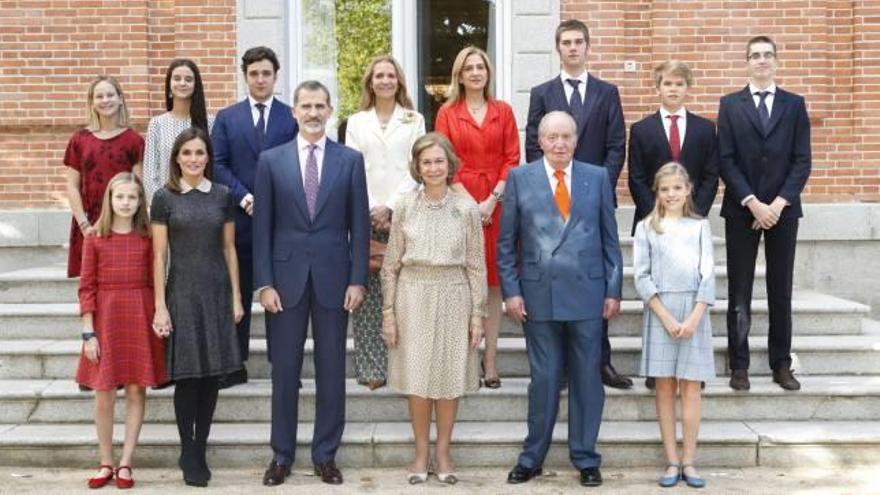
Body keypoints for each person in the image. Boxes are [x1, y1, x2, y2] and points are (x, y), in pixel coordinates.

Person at [253, 80, 369, 487]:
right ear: (294, 112)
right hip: (283, 283)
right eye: (306, 105)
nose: (314, 112)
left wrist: (358, 279)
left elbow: (359, 224)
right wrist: (263, 282)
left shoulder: (351, 161)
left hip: (335, 280)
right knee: (284, 371)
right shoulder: (271, 161)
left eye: (320, 105)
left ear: (330, 109)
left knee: (332, 369)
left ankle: (325, 455)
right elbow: (262, 227)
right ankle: (281, 455)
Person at [498, 111, 623, 488]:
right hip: (538, 296)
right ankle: (532, 456)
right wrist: (512, 291)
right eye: (552, 136)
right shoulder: (520, 179)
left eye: (566, 136)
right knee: (545, 378)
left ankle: (585, 457)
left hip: (588, 292)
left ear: (576, 138)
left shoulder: (597, 177)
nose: (559, 143)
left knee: (587, 378)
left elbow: (609, 239)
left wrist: (614, 289)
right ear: (539, 140)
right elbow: (506, 244)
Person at [524, 19, 629, 389]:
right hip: (553, 206)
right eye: (566, 42)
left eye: (578, 41)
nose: (572, 47)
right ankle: (565, 367)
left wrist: (599, 189)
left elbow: (617, 144)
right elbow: (533, 147)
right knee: (560, 282)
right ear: (558, 48)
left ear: (588, 47)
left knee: (596, 278)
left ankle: (601, 362)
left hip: (594, 203)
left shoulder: (606, 92)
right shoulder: (542, 92)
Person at [381, 133, 486, 485]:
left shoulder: (466, 208)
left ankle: (443, 451)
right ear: (417, 167)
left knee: (448, 377)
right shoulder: (406, 207)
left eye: (439, 161)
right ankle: (421, 453)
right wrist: (388, 313)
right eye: (426, 162)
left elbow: (476, 265)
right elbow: (390, 263)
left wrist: (478, 315)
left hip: (454, 294)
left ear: (450, 164)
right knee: (418, 379)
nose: (433, 167)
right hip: (412, 294)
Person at [151, 128, 245, 487]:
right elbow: (160, 255)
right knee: (188, 377)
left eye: (200, 153)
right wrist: (160, 306)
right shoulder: (164, 197)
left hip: (217, 291)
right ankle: (187, 449)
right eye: (187, 153)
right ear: (177, 157)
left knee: (211, 379)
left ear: (208, 157)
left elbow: (229, 249)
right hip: (182, 292)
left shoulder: (222, 195)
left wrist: (237, 296)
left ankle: (200, 448)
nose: (193, 159)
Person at [718, 36, 811, 392]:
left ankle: (781, 363)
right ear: (746, 62)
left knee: (780, 290)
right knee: (739, 291)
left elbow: (802, 160)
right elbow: (725, 158)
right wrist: (752, 201)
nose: (761, 60)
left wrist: (777, 204)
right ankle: (738, 365)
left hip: (783, 211)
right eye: (755, 55)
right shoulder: (729, 104)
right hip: (742, 210)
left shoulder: (793, 104)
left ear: (776, 60)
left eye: (767, 54)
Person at [627, 61, 719, 389]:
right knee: (658, 294)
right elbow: (637, 177)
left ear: (687, 87)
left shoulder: (706, 129)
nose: (673, 89)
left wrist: (694, 213)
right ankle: (659, 369)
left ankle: (691, 369)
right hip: (656, 226)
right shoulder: (641, 129)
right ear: (658, 87)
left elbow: (710, 175)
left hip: (690, 222)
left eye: (679, 83)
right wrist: (658, 214)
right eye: (667, 83)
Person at [434, 46, 519, 389]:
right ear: (459, 74)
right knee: (465, 282)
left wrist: (491, 200)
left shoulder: (504, 111)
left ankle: (491, 360)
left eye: (479, 67)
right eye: (468, 67)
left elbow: (512, 157)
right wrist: (472, 203)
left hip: (498, 203)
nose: (474, 72)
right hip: (458, 202)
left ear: (488, 73)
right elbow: (443, 158)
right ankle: (466, 358)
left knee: (494, 284)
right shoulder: (447, 113)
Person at [76, 172, 166, 489]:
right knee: (103, 393)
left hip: (139, 314)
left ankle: (126, 462)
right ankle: (105, 461)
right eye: (120, 197)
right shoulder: (95, 238)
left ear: (141, 201)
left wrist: (159, 311)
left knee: (135, 390)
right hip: (106, 318)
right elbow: (86, 287)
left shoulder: (148, 237)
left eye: (132, 197)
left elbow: (157, 279)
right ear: (110, 200)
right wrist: (89, 332)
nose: (126, 202)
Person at [212, 46, 298, 374]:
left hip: (281, 221)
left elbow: (297, 161)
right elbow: (217, 164)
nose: (260, 79)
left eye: (266, 73)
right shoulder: (227, 117)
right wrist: (245, 197)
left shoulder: (290, 116)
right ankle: (235, 365)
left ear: (276, 77)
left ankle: (283, 364)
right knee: (239, 288)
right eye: (254, 74)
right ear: (245, 76)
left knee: (282, 295)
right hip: (239, 219)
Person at [345, 55, 425, 390]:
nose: (385, 81)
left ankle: (402, 367)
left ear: (399, 81)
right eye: (379, 75)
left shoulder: (414, 119)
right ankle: (372, 369)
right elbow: (350, 166)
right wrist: (371, 207)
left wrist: (390, 206)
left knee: (403, 293)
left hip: (402, 214)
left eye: (391, 75)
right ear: (370, 82)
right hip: (363, 214)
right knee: (368, 294)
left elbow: (417, 165)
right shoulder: (355, 121)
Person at [633, 163, 715, 489]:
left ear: (688, 190)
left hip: (694, 312)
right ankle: (671, 460)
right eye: (665, 189)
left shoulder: (699, 227)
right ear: (657, 192)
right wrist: (665, 316)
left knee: (691, 388)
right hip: (660, 312)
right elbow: (641, 276)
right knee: (665, 388)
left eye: (677, 188)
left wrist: (695, 316)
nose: (671, 194)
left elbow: (708, 274)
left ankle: (690, 461)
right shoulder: (646, 228)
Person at [64, 76, 144, 278]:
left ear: (120, 99)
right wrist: (84, 224)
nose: (105, 100)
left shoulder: (133, 140)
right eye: (99, 96)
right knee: (89, 286)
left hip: (123, 222)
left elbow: (138, 186)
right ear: (92, 102)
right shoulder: (79, 139)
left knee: (118, 282)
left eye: (110, 94)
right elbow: (72, 185)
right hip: (87, 223)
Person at [143, 59, 214, 203]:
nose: (182, 83)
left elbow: (214, 167)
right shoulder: (157, 124)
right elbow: (150, 175)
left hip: (203, 206)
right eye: (177, 78)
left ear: (196, 85)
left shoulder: (211, 122)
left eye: (188, 79)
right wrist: (163, 206)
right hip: (166, 207)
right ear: (169, 84)